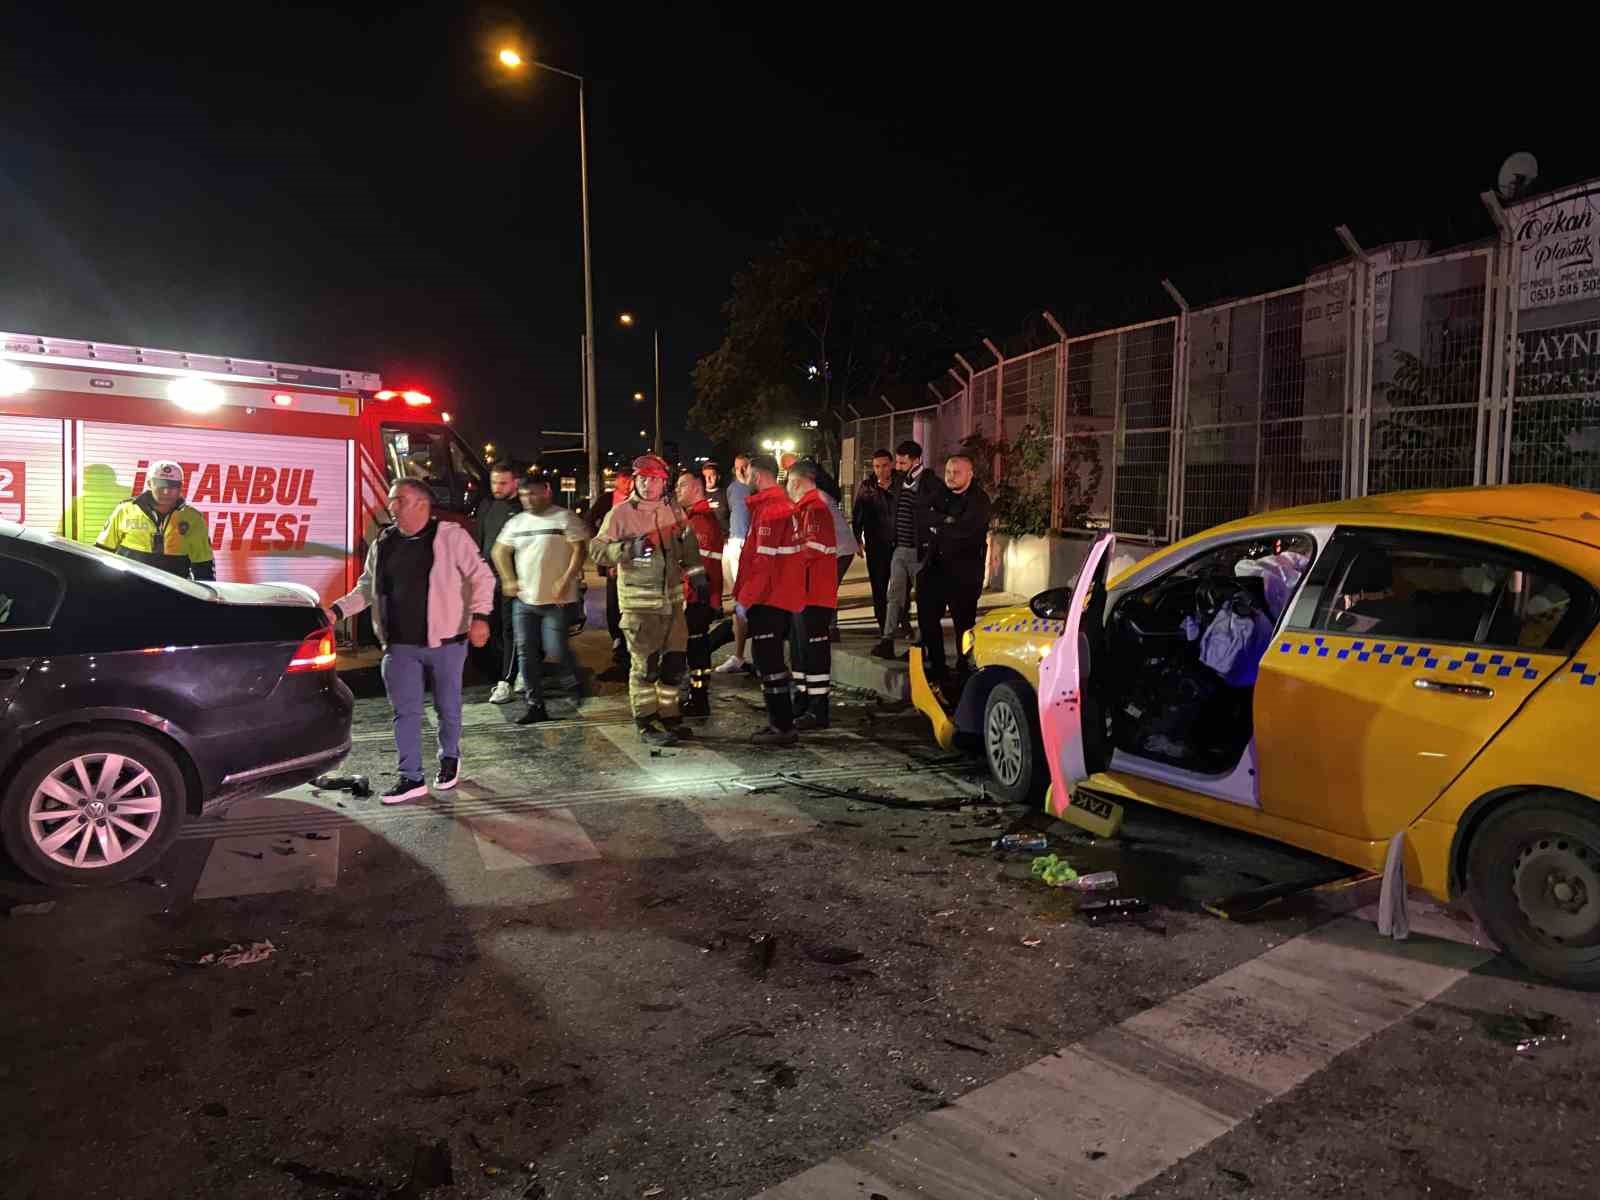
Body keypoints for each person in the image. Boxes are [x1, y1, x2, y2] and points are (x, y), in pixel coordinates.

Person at [327, 479, 494, 804]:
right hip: (399, 646)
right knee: (405, 712)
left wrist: (481, 616)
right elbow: (366, 588)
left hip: (446, 641)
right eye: (392, 500)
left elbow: (482, 576)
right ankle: (411, 777)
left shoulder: (450, 536)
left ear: (421, 504)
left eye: (398, 500)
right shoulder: (384, 542)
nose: (391, 506)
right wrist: (337, 611)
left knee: (448, 706)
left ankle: (449, 756)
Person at [590, 454, 707, 746]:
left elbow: (689, 546)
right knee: (645, 668)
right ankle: (646, 721)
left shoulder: (674, 510)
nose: (649, 483)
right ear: (636, 479)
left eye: (655, 478)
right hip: (639, 607)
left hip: (673, 606)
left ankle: (669, 716)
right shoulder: (620, 514)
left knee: (674, 665)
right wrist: (629, 548)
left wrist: (699, 577)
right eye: (643, 478)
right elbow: (597, 550)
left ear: (663, 482)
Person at [492, 470, 590, 725]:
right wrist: (508, 578)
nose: (528, 499)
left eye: (533, 493)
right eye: (524, 495)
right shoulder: (517, 523)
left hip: (557, 600)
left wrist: (567, 579)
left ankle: (574, 680)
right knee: (525, 651)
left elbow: (580, 550)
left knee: (555, 648)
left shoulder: (564, 518)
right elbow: (499, 551)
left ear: (546, 491)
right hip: (525, 600)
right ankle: (536, 705)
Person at [733, 454, 804, 745]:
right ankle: (781, 722)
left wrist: (746, 599)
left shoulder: (772, 510)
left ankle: (782, 727)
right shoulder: (777, 505)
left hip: (769, 597)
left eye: (746, 471)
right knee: (770, 659)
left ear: (757, 474)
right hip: (778, 595)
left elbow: (763, 562)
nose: (744, 476)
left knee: (768, 660)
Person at [918, 453, 992, 693]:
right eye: (948, 471)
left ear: (970, 474)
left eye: (956, 472)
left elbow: (965, 530)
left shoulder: (978, 500)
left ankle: (964, 668)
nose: (950, 476)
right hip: (935, 568)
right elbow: (921, 515)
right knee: (927, 618)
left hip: (964, 572)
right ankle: (938, 667)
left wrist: (938, 526)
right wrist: (946, 520)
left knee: (964, 624)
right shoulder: (940, 493)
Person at [872, 439, 945, 659]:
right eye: (899, 462)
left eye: (903, 463)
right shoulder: (901, 481)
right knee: (894, 597)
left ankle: (921, 646)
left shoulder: (930, 483)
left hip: (919, 551)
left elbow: (938, 513)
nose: (898, 467)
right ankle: (887, 640)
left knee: (923, 600)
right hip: (900, 548)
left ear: (917, 460)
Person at [95, 459, 215, 580]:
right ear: (149, 483)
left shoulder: (193, 518)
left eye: (173, 485)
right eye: (160, 484)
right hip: (128, 588)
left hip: (173, 592)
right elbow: (102, 552)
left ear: (181, 487)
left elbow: (203, 565)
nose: (166, 491)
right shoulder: (125, 510)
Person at [787, 460, 839, 730]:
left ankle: (818, 710)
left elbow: (809, 551)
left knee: (814, 652)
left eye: (787, 482)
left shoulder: (815, 510)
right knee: (799, 651)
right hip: (801, 594)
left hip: (814, 596)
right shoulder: (804, 510)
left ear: (796, 482)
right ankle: (803, 699)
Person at [676, 470, 724, 718]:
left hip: (696, 597)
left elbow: (697, 568)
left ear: (696, 488)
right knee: (696, 648)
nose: (677, 491)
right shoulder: (696, 518)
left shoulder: (700, 521)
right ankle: (697, 696)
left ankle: (699, 699)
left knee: (696, 650)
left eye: (682, 486)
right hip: (699, 596)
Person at [476, 462, 525, 704]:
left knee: (510, 630)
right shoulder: (486, 506)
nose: (497, 487)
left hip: (513, 581)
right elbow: (480, 540)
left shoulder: (524, 509)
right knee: (490, 630)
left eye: (503, 483)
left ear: (516, 482)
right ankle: (509, 674)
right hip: (487, 581)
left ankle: (506, 680)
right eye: (494, 482)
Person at [588, 470, 634, 682]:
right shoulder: (607, 502)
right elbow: (591, 522)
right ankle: (618, 641)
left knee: (628, 606)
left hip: (631, 564)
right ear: (617, 481)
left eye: (630, 481)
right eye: (624, 481)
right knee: (613, 603)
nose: (627, 484)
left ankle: (627, 649)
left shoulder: (636, 502)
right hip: (613, 563)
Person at [714, 453, 755, 674]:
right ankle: (740, 654)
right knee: (737, 598)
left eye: (745, 467)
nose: (741, 472)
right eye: (737, 468)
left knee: (745, 601)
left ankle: (742, 654)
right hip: (734, 544)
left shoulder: (754, 488)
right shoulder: (732, 489)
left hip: (746, 547)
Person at [852, 449, 897, 635]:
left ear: (892, 464)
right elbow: (858, 515)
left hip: (899, 544)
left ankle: (900, 621)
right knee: (878, 587)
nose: (881, 470)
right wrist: (857, 539)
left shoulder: (901, 484)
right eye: (877, 466)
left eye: (885, 466)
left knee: (899, 588)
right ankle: (883, 626)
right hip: (876, 545)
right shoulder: (867, 487)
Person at [700, 460, 729, 532]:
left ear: (718, 477)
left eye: (712, 475)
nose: (708, 478)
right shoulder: (699, 495)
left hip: (725, 537)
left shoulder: (727, 494)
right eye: (705, 476)